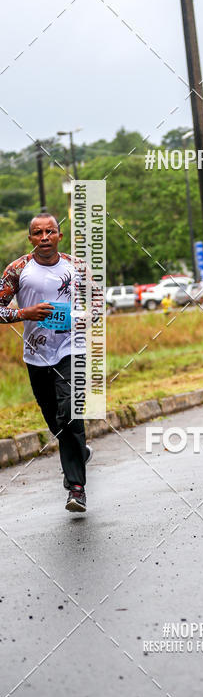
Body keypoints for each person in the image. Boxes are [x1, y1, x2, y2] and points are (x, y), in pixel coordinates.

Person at [0, 214, 92, 512]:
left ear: (59, 236)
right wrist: (25, 313)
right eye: (37, 233)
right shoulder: (17, 270)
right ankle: (79, 451)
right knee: (54, 418)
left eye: (49, 232)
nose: (44, 237)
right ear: (30, 239)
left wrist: (86, 317)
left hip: (72, 350)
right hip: (36, 355)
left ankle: (76, 488)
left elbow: (99, 303)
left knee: (70, 414)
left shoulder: (77, 267)